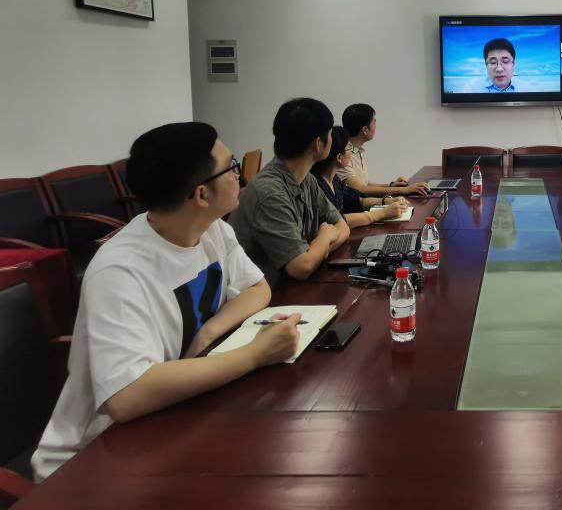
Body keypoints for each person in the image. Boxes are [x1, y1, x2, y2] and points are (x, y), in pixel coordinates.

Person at [31, 122, 301, 481]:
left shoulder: (213, 229)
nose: (239, 175)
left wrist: (207, 333)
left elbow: (257, 288)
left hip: (172, 419)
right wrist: (255, 355)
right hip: (91, 463)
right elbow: (127, 396)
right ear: (201, 194)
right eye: (231, 166)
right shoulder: (119, 271)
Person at [229, 98, 350, 288]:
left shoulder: (307, 180)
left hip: (289, 288)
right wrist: (325, 237)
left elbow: (342, 226)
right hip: (263, 296)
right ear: (318, 144)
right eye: (330, 134)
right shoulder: (269, 192)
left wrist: (316, 250)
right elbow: (301, 267)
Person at [312, 125, 410, 228]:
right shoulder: (316, 185)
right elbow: (337, 220)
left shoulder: (334, 180)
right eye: (349, 149)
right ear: (339, 157)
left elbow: (358, 200)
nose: (351, 153)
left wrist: (386, 201)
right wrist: (383, 213)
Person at [338, 103, 429, 197]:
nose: (376, 126)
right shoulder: (343, 154)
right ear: (365, 130)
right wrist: (403, 190)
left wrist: (392, 185)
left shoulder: (358, 151)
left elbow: (366, 185)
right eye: (374, 122)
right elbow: (359, 189)